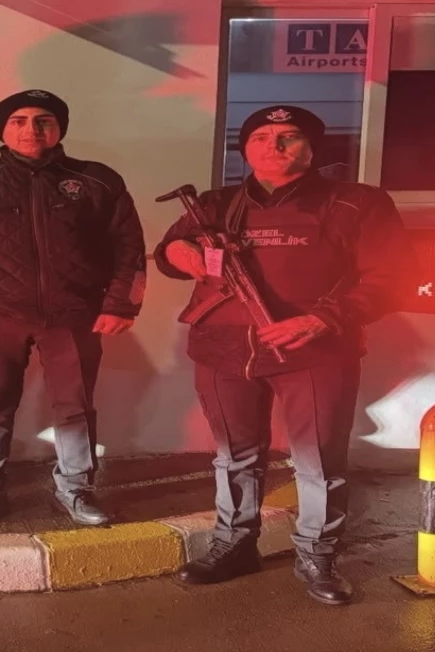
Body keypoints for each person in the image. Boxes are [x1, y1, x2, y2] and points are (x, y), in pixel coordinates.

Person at [157, 105, 414, 606]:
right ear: (245, 149)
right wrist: (178, 253)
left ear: (313, 148)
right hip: (222, 349)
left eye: (289, 137)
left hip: (316, 351)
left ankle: (317, 554)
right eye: (261, 138)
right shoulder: (214, 203)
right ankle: (234, 544)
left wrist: (323, 319)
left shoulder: (357, 203)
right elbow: (169, 251)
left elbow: (395, 276)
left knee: (318, 461)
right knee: (234, 456)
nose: (273, 147)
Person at [0, 89, 146, 526]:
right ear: (2, 130)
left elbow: (129, 246)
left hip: (75, 314)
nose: (31, 130)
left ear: (60, 128)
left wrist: (123, 304)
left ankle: (75, 487)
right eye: (18, 121)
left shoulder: (97, 180)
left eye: (43, 120)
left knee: (75, 404)